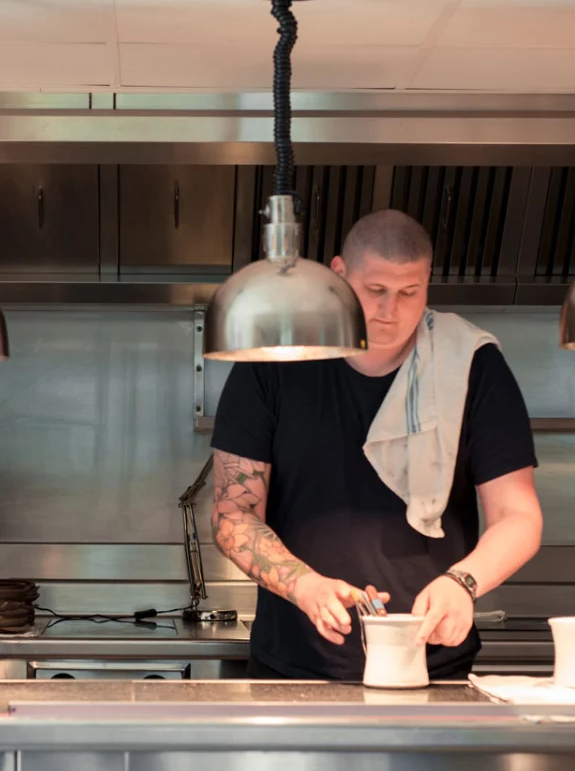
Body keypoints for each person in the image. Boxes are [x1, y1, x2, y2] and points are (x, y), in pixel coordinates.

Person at [210, 209, 543, 680]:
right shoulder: (275, 357)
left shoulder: (471, 365)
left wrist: (462, 583)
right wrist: (303, 585)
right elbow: (232, 514)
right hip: (293, 669)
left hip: (435, 669)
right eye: (375, 291)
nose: (390, 310)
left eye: (410, 293)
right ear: (340, 274)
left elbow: (519, 516)